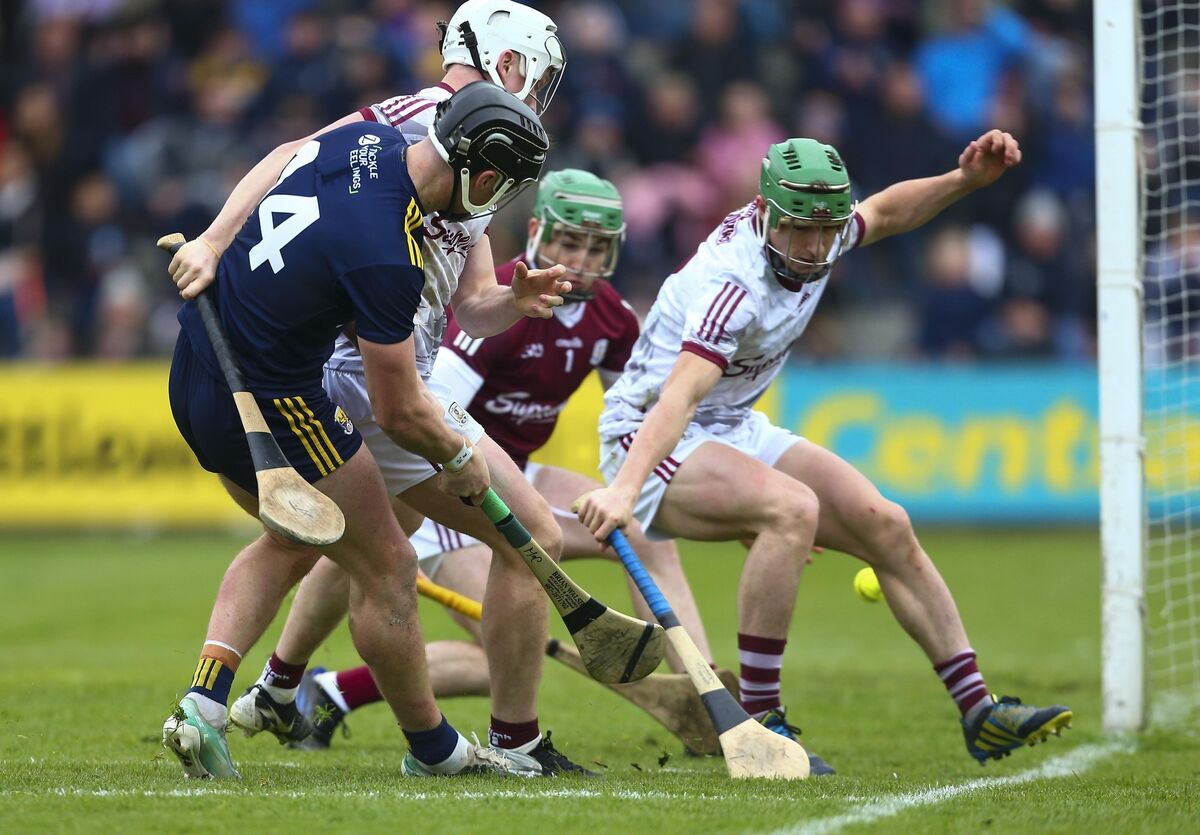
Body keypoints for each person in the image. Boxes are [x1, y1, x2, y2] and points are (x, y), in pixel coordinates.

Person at [174, 2, 600, 776]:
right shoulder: (425, 125)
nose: (544, 89)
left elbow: (471, 300)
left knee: (330, 545)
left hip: (376, 367)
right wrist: (213, 236)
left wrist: (515, 296)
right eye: (539, 72)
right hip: (359, 375)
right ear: (510, 65)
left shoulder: (489, 144)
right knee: (509, 534)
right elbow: (288, 156)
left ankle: (258, 689)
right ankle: (499, 744)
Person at [575, 129, 1074, 765]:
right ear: (765, 214)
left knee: (886, 523)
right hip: (647, 432)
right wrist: (623, 489)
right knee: (792, 509)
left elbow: (888, 211)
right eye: (799, 232)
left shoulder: (824, 229)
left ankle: (981, 710)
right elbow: (679, 396)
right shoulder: (734, 285)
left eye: (826, 231)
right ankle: (757, 725)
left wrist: (963, 182)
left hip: (730, 422)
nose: (814, 249)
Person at [283, 170, 717, 747]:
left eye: (595, 247)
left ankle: (709, 695)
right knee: (511, 647)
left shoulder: (611, 316)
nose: (580, 260)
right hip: (451, 477)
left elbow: (635, 417)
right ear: (538, 232)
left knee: (643, 534)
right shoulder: (505, 305)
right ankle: (334, 689)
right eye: (568, 242)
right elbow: (432, 416)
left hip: (518, 471)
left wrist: (656, 489)